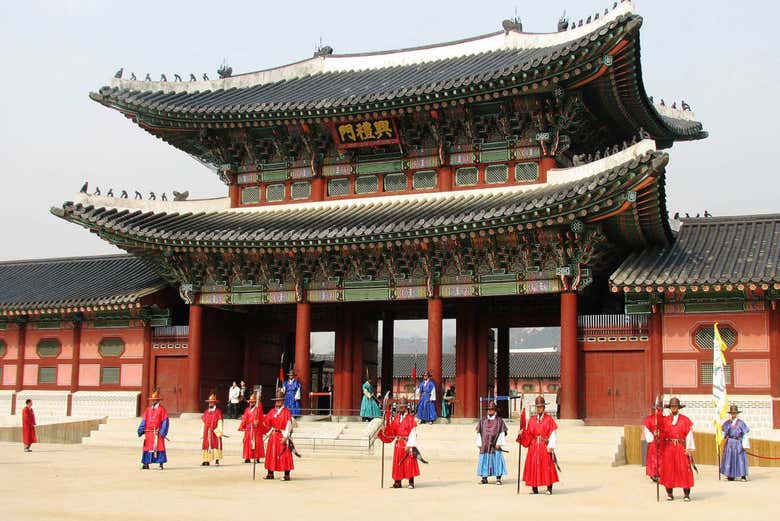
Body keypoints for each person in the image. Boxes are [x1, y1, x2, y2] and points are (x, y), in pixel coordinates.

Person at [517, 395, 558, 494]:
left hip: (544, 445)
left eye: (541, 406)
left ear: (544, 407)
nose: (539, 408)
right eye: (537, 407)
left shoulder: (549, 419)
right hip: (534, 446)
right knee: (533, 466)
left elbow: (552, 433)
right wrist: (522, 434)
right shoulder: (531, 420)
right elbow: (528, 434)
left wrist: (551, 446)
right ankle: (534, 488)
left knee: (547, 466)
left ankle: (549, 488)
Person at [378, 397, 420, 489]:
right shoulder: (396, 418)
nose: (400, 408)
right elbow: (392, 430)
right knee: (398, 463)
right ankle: (397, 482)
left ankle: (411, 482)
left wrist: (410, 445)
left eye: (402, 407)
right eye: (399, 407)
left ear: (406, 408)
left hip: (406, 443)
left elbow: (413, 433)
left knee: (409, 462)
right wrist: (384, 430)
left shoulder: (410, 419)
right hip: (398, 444)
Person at [659, 397, 695, 501]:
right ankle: (669, 494)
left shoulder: (685, 420)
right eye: (672, 406)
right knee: (669, 469)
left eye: (675, 406)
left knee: (684, 469)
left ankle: (686, 494)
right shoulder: (665, 420)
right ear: (670, 408)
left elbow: (689, 435)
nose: (674, 408)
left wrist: (688, 448)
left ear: (678, 407)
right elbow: (662, 434)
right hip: (669, 447)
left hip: (680, 447)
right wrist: (658, 434)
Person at [263, 390, 294, 480]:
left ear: (283, 401)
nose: (277, 402)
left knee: (284, 454)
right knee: (271, 453)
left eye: (279, 400)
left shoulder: (286, 412)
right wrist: (259, 423)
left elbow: (288, 424)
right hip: (273, 435)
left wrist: (286, 436)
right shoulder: (272, 411)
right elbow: (266, 422)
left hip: (281, 434)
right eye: (276, 400)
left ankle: (287, 474)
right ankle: (270, 473)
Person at [476, 401, 508, 485]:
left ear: (495, 411)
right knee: (484, 460)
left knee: (497, 460)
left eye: (492, 410)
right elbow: (479, 432)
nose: (490, 411)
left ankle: (498, 478)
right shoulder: (482, 420)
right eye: (489, 410)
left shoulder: (499, 421)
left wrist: (499, 443)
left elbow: (502, 433)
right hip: (485, 445)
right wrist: (479, 444)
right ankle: (484, 478)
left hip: (495, 445)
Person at [137, 389, 169, 469]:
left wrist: (162, 431)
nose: (153, 401)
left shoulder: (162, 410)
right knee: (147, 447)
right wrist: (141, 429)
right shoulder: (148, 409)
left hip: (157, 432)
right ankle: (146, 463)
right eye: (152, 400)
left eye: (155, 400)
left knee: (159, 447)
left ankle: (160, 463)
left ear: (158, 400)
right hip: (149, 433)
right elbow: (144, 420)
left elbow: (165, 421)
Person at [720, 404, 749, 481]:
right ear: (730, 414)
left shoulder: (741, 423)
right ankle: (731, 475)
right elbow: (724, 434)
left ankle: (743, 475)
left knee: (740, 458)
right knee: (730, 458)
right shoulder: (727, 423)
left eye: (735, 413)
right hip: (729, 442)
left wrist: (745, 444)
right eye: (732, 413)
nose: (733, 414)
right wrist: (719, 438)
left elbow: (745, 434)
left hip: (738, 442)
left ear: (737, 413)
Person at [238, 393, 267, 463]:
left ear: (255, 402)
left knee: (256, 443)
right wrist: (242, 426)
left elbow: (261, 417)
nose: (251, 403)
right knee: (247, 443)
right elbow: (244, 418)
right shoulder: (247, 410)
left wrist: (257, 422)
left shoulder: (258, 410)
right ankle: (247, 457)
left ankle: (257, 457)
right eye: (250, 402)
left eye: (253, 402)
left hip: (256, 429)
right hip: (248, 429)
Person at [201, 393, 224, 466]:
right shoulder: (206, 412)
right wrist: (202, 431)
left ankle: (216, 459)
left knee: (215, 445)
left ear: (214, 403)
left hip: (214, 431)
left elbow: (220, 421)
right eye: (209, 402)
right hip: (207, 432)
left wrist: (219, 430)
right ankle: (206, 460)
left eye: (212, 402)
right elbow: (203, 422)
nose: (210, 404)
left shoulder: (218, 412)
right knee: (206, 445)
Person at [642, 403, 663, 482]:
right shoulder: (649, 419)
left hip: (662, 442)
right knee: (653, 459)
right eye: (658, 409)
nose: (659, 411)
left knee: (662, 459)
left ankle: (661, 473)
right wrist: (652, 438)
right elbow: (647, 431)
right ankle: (654, 474)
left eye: (660, 409)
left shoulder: (665, 419)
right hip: (654, 443)